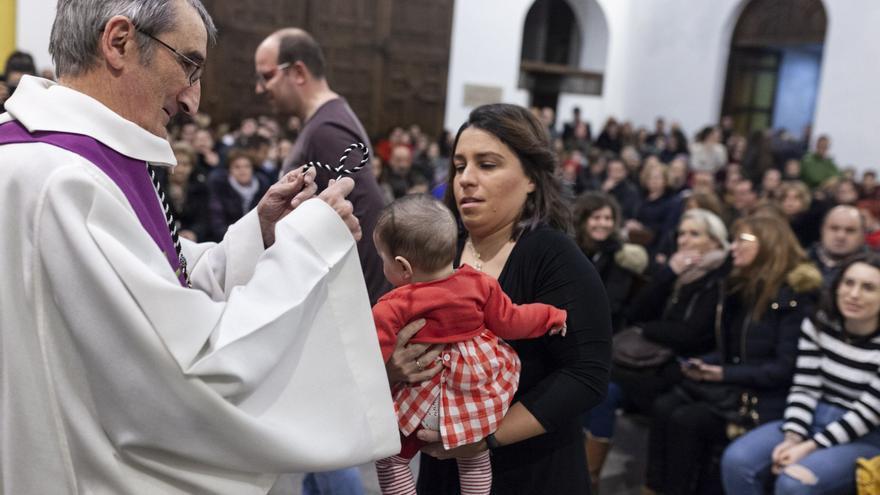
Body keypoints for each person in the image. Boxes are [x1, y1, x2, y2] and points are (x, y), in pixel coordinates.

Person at [0, 1, 400, 493]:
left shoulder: (48, 156)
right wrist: (310, 244)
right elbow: (191, 373)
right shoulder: (65, 181)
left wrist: (261, 233)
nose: (193, 99)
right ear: (119, 42)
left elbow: (160, 281)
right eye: (188, 64)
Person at [383, 103, 611, 494]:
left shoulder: (554, 256)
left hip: (530, 469)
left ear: (531, 179)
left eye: (486, 165)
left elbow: (585, 375)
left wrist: (482, 437)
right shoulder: (442, 251)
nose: (466, 180)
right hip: (444, 468)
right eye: (459, 166)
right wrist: (392, 367)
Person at [370, 194, 567, 495]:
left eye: (382, 259)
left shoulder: (393, 305)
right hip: (471, 400)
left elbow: (373, 359)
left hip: (420, 405)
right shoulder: (480, 284)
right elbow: (513, 321)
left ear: (403, 266)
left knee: (392, 461)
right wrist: (551, 315)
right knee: (475, 459)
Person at [645, 214, 822, 495]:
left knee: (687, 420)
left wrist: (723, 372)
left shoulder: (793, 298)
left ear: (768, 245)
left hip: (765, 401)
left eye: (743, 240)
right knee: (665, 405)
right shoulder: (743, 287)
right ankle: (655, 488)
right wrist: (709, 364)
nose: (733, 247)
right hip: (738, 387)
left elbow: (784, 368)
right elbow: (735, 350)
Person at [585, 209, 729, 491]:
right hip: (655, 361)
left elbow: (691, 335)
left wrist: (648, 330)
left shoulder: (719, 278)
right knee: (603, 388)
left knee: (601, 372)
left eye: (694, 234)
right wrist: (667, 274)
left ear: (715, 241)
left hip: (685, 366)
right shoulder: (681, 272)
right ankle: (589, 477)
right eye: (682, 234)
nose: (685, 240)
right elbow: (638, 312)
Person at [722, 252, 880, 494]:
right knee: (737, 461)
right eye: (848, 283)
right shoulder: (820, 322)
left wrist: (810, 447)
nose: (854, 294)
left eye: (868, 288)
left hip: (865, 433)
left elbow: (869, 412)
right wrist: (793, 437)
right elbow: (805, 386)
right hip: (814, 415)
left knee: (793, 482)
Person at [255, 27, 390, 306]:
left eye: (266, 76)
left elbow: (366, 214)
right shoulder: (324, 122)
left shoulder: (327, 129)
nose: (260, 88)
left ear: (298, 72)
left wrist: (362, 311)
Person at [574, 191, 649, 332]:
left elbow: (611, 304)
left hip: (601, 327)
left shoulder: (618, 254)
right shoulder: (574, 247)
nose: (603, 223)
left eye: (608, 218)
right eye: (596, 218)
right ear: (583, 220)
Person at [207, 149, 271, 241]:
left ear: (252, 168)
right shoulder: (221, 188)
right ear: (229, 170)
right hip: (228, 240)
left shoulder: (263, 187)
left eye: (247, 166)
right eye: (237, 167)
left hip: (258, 240)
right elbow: (217, 221)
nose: (242, 170)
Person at [809, 205, 868, 285]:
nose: (840, 236)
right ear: (822, 230)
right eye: (834, 228)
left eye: (850, 230)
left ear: (862, 235)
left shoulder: (874, 267)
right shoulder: (800, 261)